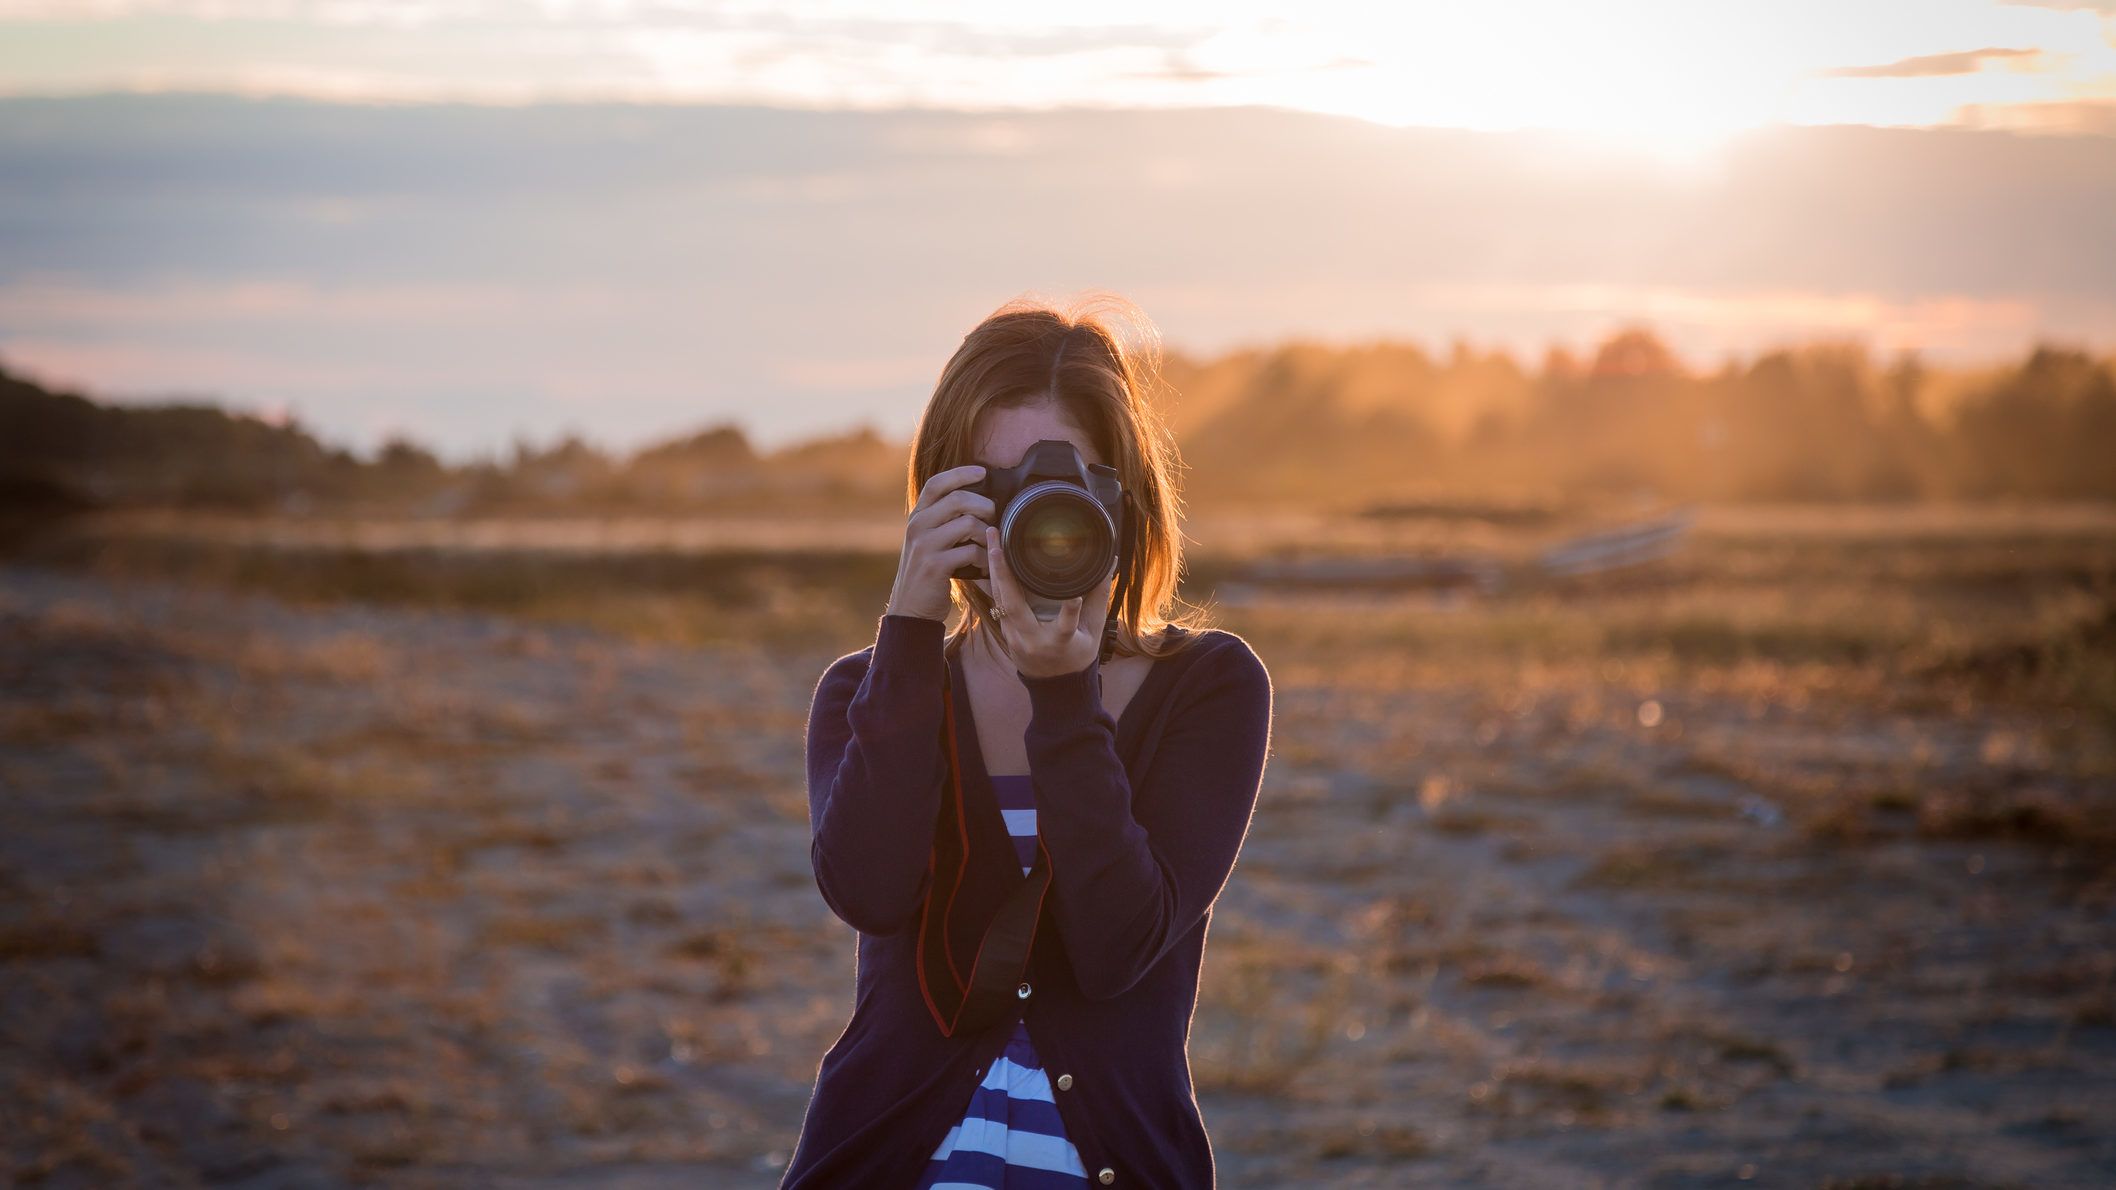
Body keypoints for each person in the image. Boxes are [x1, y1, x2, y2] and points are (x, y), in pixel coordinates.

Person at [779, 293, 1274, 1189]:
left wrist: (1063, 697)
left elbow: (1117, 946)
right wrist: (909, 628)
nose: (1035, 515)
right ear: (940, 494)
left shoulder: (1209, 689)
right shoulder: (869, 692)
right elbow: (868, 890)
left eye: (1068, 479)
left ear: (1122, 496)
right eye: (996, 484)